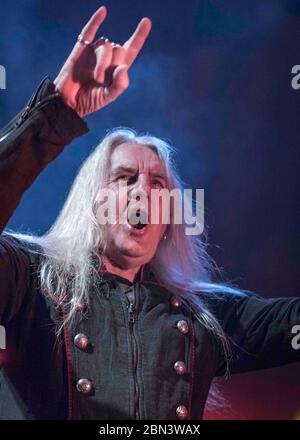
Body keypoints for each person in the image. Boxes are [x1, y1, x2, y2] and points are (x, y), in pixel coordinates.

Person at [0, 6, 299, 420]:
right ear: (92, 205)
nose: (144, 192)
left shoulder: (201, 317)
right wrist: (57, 112)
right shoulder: (29, 279)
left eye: (158, 184)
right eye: (124, 178)